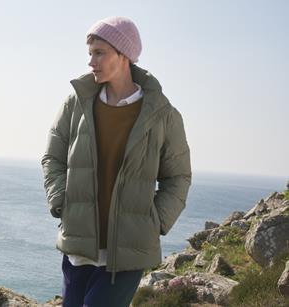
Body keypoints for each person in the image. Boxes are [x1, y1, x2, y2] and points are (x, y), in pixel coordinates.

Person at [41, 16, 192, 307]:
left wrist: (155, 222)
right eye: (90, 54)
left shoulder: (162, 114)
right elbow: (53, 157)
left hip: (126, 254)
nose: (91, 62)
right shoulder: (76, 103)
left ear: (124, 55)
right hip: (78, 247)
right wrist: (61, 200)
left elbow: (178, 176)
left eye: (100, 53)